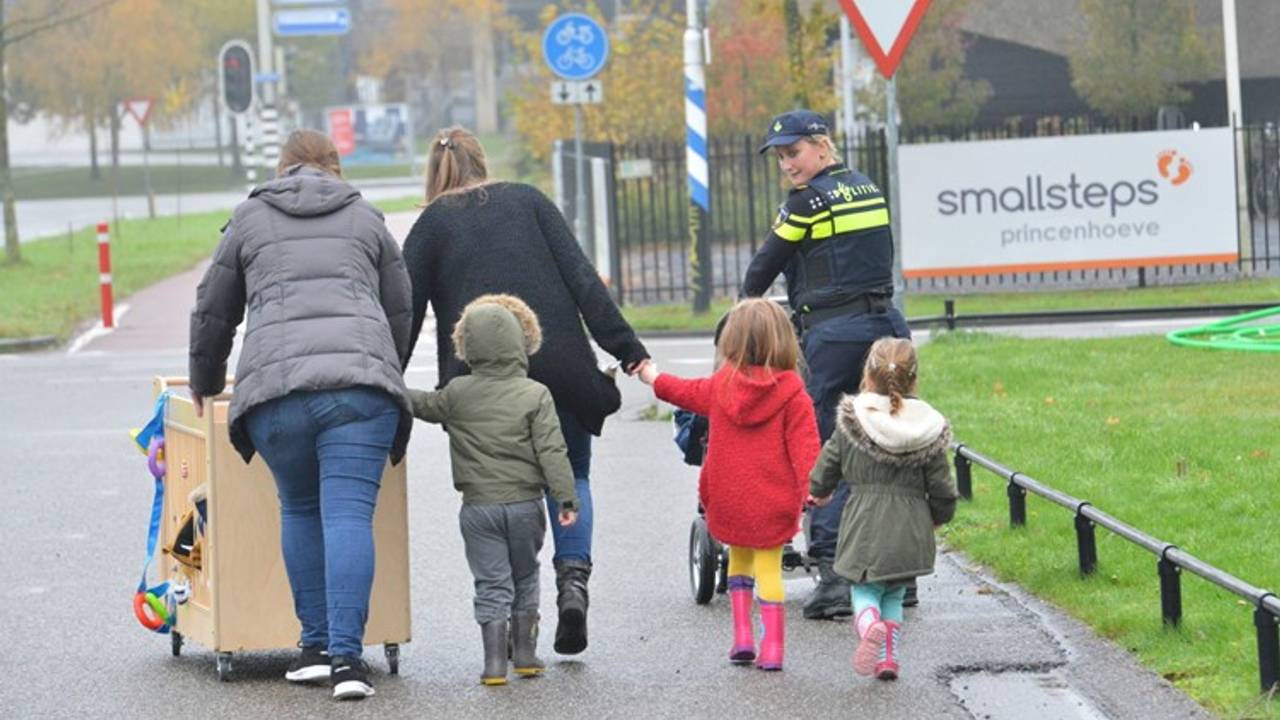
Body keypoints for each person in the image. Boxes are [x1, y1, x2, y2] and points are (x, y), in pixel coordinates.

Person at [401, 126, 650, 655]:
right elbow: (583, 279)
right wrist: (627, 348)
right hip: (559, 366)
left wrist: (382, 376)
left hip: (479, 386)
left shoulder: (429, 227)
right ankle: (574, 582)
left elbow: (405, 313)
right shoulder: (531, 202)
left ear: (435, 171)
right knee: (572, 475)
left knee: (499, 493)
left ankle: (512, 614)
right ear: (481, 161)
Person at [188, 129, 413, 700]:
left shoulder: (249, 218)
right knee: (348, 517)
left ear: (282, 167)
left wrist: (205, 383)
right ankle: (347, 663)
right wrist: (386, 367)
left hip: (277, 393)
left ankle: (313, 648)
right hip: (360, 394)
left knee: (301, 507)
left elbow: (213, 311)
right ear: (336, 167)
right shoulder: (367, 218)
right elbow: (400, 306)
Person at [741, 109, 913, 620]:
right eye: (780, 157)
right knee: (888, 445)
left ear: (821, 145)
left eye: (793, 153)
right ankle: (899, 572)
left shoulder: (806, 203)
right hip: (886, 330)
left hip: (834, 336)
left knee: (831, 449)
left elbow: (762, 268)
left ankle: (836, 578)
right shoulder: (868, 188)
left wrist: (744, 317)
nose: (787, 165)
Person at [637, 298, 820, 671]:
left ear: (731, 343)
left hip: (728, 498)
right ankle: (772, 650)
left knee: (738, 560)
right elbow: (806, 449)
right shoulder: (794, 395)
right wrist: (812, 488)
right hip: (773, 500)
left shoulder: (720, 386)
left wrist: (652, 375)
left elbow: (682, 392)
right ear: (786, 341)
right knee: (769, 570)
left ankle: (741, 639)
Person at [407, 293, 579, 686]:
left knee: (490, 582)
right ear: (521, 343)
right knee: (525, 577)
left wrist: (391, 389)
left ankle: (493, 665)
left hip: (478, 509)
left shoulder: (457, 392)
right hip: (525, 506)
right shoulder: (535, 394)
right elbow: (552, 450)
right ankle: (525, 654)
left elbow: (425, 405)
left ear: (466, 345)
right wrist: (566, 498)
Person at [807, 338, 957, 680]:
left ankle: (869, 625)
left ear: (867, 373)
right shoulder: (926, 426)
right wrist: (938, 516)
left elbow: (828, 463)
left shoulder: (854, 419)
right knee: (895, 591)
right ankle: (888, 658)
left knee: (864, 589)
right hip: (910, 527)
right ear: (914, 378)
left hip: (865, 522)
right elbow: (942, 486)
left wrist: (820, 492)